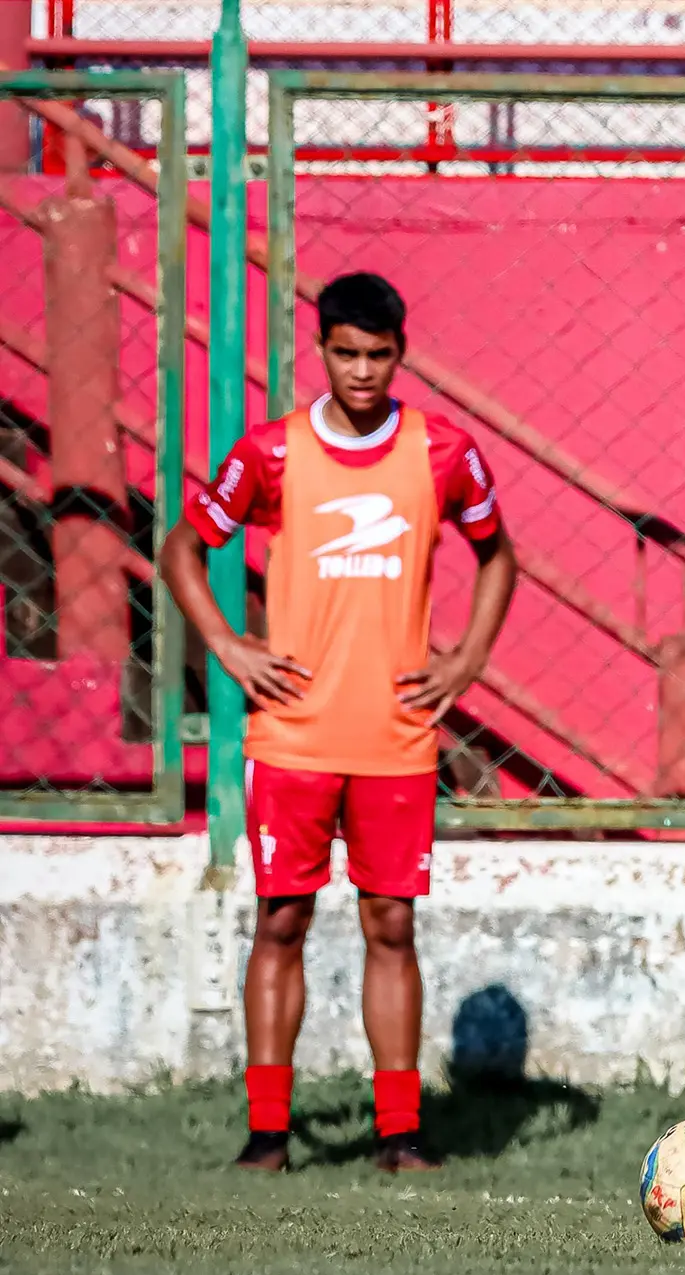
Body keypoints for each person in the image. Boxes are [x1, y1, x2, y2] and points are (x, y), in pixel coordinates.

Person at [159, 271, 518, 1174]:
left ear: (401, 353)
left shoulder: (444, 452)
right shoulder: (271, 454)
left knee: (389, 927)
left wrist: (466, 658)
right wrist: (228, 647)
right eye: (346, 352)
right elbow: (181, 547)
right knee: (280, 923)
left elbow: (498, 557)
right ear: (320, 350)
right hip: (292, 736)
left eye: (379, 354)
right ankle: (268, 1134)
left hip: (397, 736)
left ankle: (400, 1135)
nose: (362, 371)